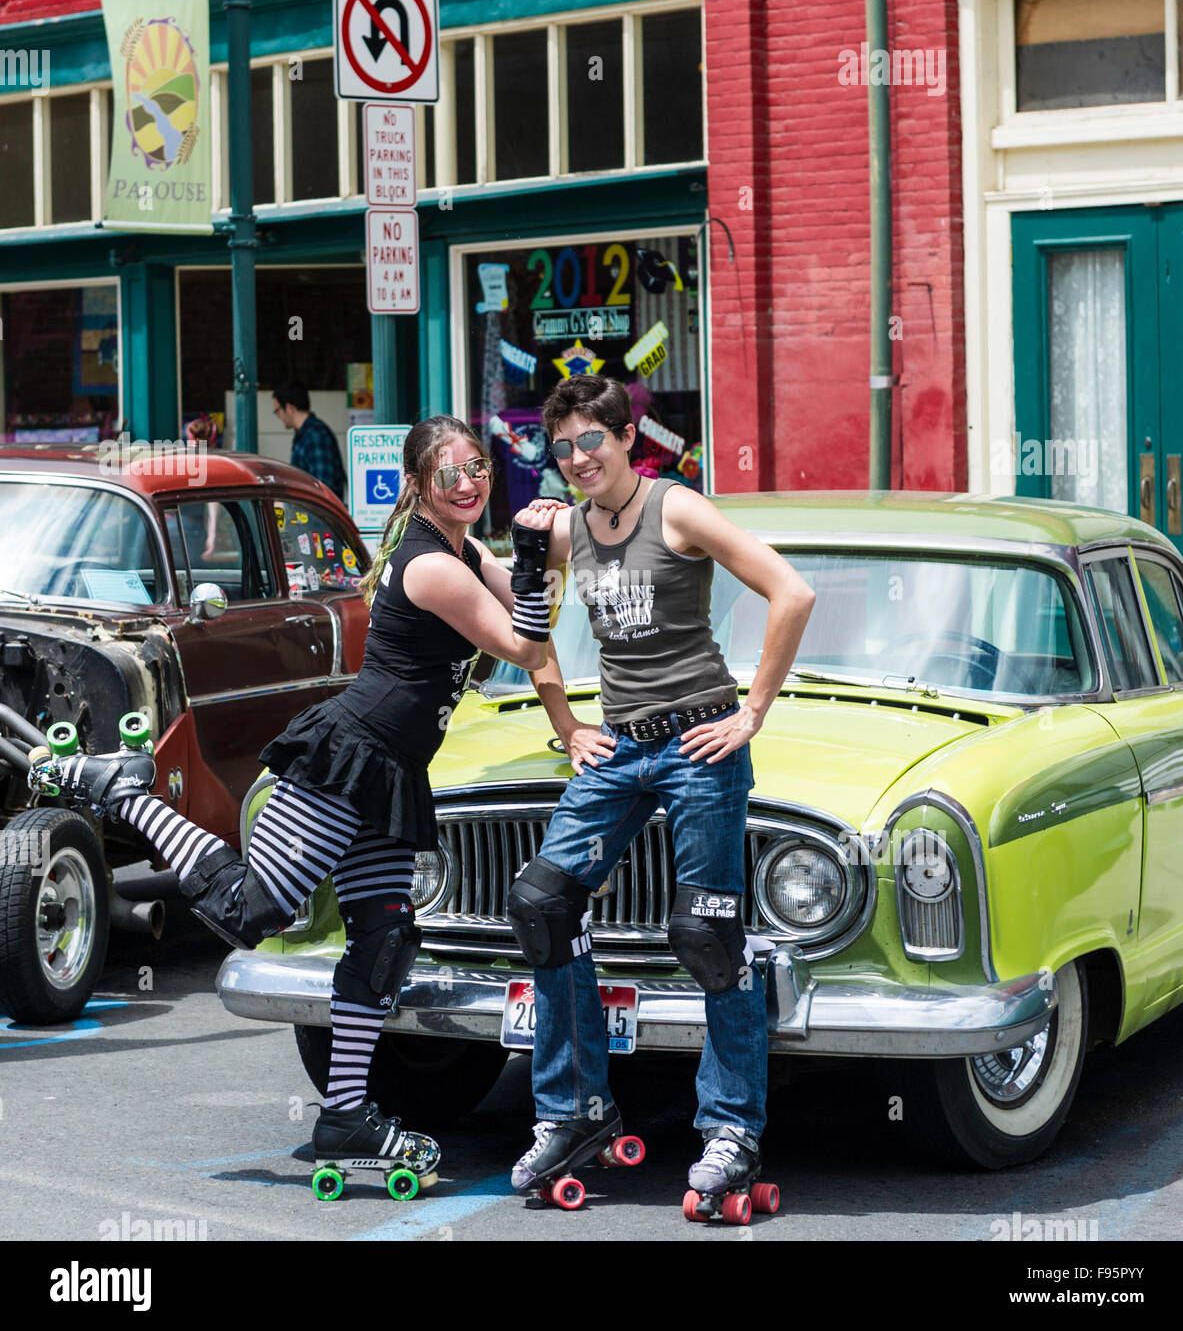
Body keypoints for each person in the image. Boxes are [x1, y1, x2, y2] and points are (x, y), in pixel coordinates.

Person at [39, 415, 557, 1177]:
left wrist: (565, 536)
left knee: (382, 943)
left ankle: (345, 1115)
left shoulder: (465, 547)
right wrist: (542, 555)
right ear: (418, 485)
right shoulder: (432, 564)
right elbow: (521, 639)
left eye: (478, 467)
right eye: (450, 473)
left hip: (392, 775)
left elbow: (531, 596)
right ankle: (125, 792)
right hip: (348, 760)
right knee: (258, 910)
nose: (469, 483)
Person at [505, 374, 815, 1204]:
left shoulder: (675, 508)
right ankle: (576, 1110)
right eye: (561, 447)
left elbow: (793, 591)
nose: (576, 459)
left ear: (624, 437)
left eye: (590, 442)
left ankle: (730, 1134)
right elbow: (524, 630)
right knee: (542, 903)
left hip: (698, 740)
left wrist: (752, 712)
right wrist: (565, 721)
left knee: (708, 937)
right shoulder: (571, 527)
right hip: (620, 750)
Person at [273, 381, 347, 499]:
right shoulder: (306, 435)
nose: (278, 416)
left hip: (319, 514)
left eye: (277, 411)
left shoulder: (315, 436)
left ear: (288, 407)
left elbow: (324, 488)